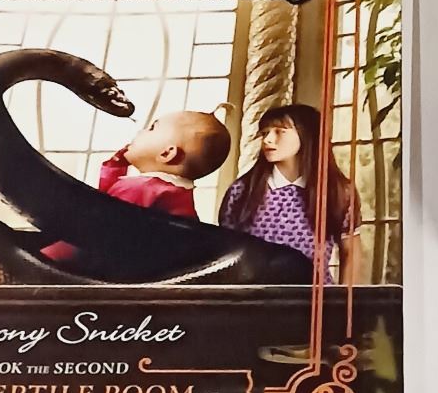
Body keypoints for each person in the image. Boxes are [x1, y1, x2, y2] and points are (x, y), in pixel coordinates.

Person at [38, 108, 231, 265]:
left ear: (167, 153)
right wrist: (115, 168)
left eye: (152, 128)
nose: (141, 131)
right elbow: (111, 206)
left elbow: (96, 227)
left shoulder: (142, 188)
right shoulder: (175, 193)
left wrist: (46, 259)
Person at [219, 104, 362, 283]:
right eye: (265, 133)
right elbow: (225, 253)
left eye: (279, 131)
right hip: (254, 295)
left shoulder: (338, 191)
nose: (268, 140)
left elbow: (350, 252)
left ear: (307, 135)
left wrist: (342, 299)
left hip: (314, 295)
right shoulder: (242, 191)